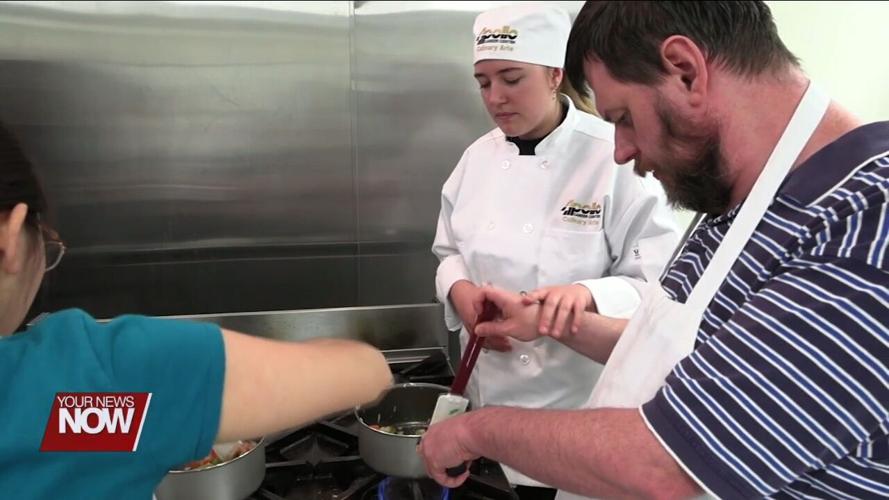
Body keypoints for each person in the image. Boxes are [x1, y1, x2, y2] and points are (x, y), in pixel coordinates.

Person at [419, 2, 889, 499]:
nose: (620, 150)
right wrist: (558, 323)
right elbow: (683, 354)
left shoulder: (862, 234)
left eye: (623, 117)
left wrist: (476, 431)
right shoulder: (743, 203)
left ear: (685, 70)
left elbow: (668, 468)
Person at [0, 125, 393, 497]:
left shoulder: (86, 407)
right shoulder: (92, 385)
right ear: (11, 236)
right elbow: (365, 372)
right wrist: (178, 414)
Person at [432, 5, 679, 492]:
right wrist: (458, 289)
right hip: (485, 395)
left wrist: (585, 294)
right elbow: (447, 249)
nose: (496, 98)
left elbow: (660, 282)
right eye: (484, 83)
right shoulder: (476, 157)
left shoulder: (613, 154)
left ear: (553, 74)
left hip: (574, 409)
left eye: (511, 78)